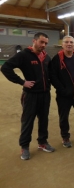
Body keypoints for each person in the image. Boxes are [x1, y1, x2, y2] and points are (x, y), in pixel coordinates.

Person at [1, 32, 54, 160]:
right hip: (30, 95)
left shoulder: (47, 58)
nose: (44, 45)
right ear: (34, 41)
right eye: (41, 42)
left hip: (45, 94)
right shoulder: (24, 55)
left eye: (46, 43)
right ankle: (24, 147)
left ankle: (42, 142)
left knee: (44, 120)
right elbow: (5, 68)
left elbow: (51, 74)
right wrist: (22, 82)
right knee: (27, 121)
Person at [50, 35, 74, 148]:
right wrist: (62, 90)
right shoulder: (56, 59)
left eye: (71, 42)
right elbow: (53, 76)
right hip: (64, 95)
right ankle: (65, 137)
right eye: (67, 42)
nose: (69, 44)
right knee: (64, 117)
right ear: (62, 45)